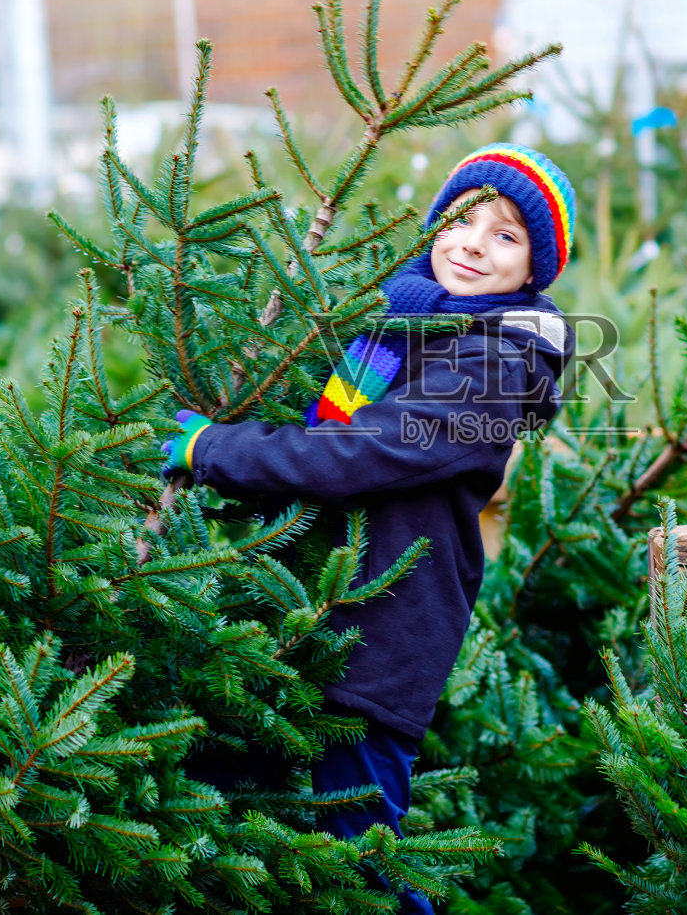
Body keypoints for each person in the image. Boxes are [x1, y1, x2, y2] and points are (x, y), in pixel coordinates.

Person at [159, 143, 576, 912]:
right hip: (305, 622)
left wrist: (213, 448)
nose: (473, 242)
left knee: (364, 870)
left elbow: (358, 452)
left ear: (531, 271)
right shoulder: (399, 326)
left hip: (380, 643)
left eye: (507, 234)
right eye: (461, 219)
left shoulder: (498, 363)